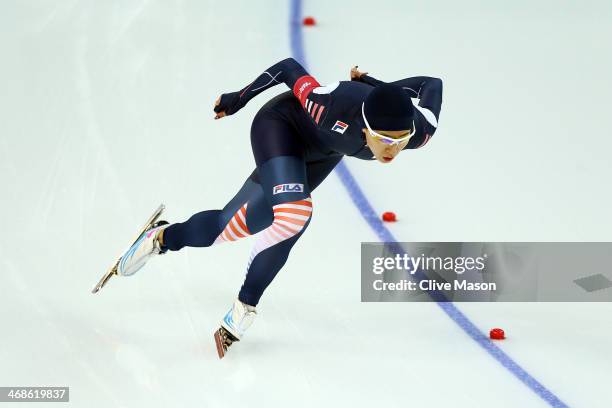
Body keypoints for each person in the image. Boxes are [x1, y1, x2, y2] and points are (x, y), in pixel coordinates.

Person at [116, 58, 443, 358]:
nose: (393, 150)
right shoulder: (327, 106)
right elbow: (288, 68)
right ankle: (245, 307)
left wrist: (379, 85)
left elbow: (432, 84)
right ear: (364, 128)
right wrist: (239, 98)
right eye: (384, 140)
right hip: (280, 126)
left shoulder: (419, 131)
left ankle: (162, 237)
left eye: (401, 140)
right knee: (296, 214)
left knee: (226, 226)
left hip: (321, 155)